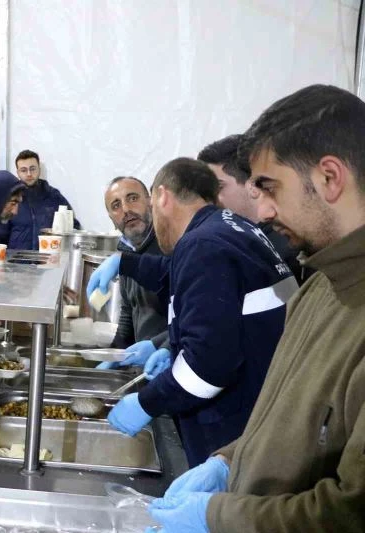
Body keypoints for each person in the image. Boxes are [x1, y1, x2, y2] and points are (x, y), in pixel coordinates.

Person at [145, 84, 365, 533]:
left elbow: (349, 512)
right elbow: (284, 413)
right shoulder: (319, 282)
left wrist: (217, 517)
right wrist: (231, 460)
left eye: (270, 188)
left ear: (329, 177)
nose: (261, 210)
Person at [87, 157, 297, 467]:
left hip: (234, 422)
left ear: (161, 197)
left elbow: (209, 365)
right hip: (267, 410)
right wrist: (124, 262)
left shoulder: (204, 245)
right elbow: (177, 273)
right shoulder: (231, 227)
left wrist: (147, 403)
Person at [198, 133, 312, 284]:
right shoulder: (225, 244)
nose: (210, 199)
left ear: (251, 182)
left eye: (218, 187)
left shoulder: (295, 242)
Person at [96, 176, 169, 372]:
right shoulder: (126, 251)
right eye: (116, 205)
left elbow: (192, 320)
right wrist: (114, 355)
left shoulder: (170, 245)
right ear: (112, 219)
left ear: (150, 201)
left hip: (169, 363)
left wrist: (161, 346)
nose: (126, 210)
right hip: (144, 368)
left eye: (133, 198)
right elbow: (129, 311)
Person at [0, 149, 80, 250]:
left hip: (48, 261)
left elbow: (73, 226)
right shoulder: (10, 198)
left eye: (32, 169)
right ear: (18, 173)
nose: (29, 174)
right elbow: (1, 234)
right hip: (16, 261)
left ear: (39, 169)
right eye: (23, 170)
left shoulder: (53, 196)